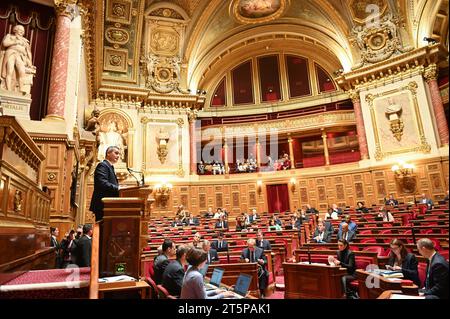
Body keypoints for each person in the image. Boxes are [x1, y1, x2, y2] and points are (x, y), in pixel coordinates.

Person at [0, 24, 36, 94]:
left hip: (20, 56)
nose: (22, 31)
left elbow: (28, 53)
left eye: (23, 30)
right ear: (15, 30)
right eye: (20, 29)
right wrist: (15, 42)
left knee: (22, 72)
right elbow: (5, 43)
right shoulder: (9, 36)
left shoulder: (25, 41)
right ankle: (8, 89)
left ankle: (21, 88)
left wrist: (30, 64)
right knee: (9, 71)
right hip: (11, 54)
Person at [89, 146, 120, 221]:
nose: (118, 156)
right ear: (108, 153)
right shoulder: (103, 165)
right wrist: (119, 188)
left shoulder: (109, 166)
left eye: (119, 154)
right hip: (103, 204)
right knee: (104, 230)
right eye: (116, 153)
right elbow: (102, 183)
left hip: (108, 205)